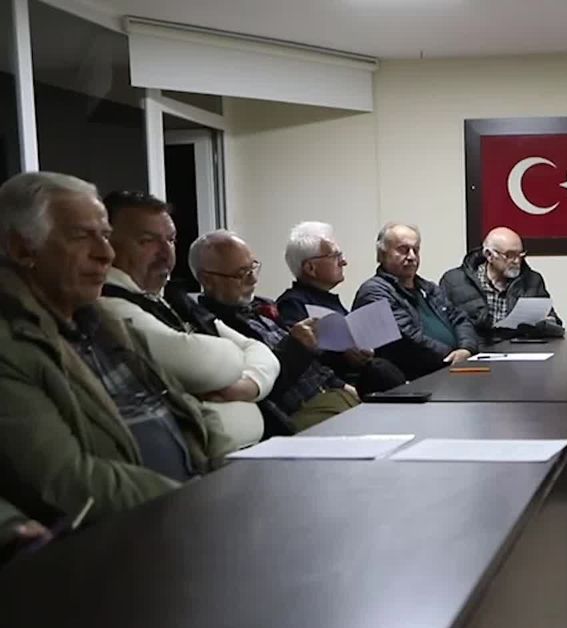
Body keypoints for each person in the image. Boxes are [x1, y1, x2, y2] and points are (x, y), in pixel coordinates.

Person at [0, 172, 224, 524]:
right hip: (126, 534)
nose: (105, 254)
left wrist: (228, 474)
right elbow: (66, 482)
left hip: (192, 508)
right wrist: (196, 503)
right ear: (21, 249)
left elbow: (185, 408)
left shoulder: (105, 322)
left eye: (104, 235)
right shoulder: (11, 344)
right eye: (80, 236)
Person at [98, 191, 280, 452]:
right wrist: (231, 357)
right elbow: (204, 364)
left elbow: (261, 351)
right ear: (107, 244)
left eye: (171, 240)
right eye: (147, 241)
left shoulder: (173, 299)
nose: (165, 253)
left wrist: (247, 385)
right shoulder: (108, 304)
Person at [189, 230, 359, 431]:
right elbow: (262, 386)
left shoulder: (263, 306)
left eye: (253, 267)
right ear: (208, 280)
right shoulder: (211, 327)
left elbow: (313, 366)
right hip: (300, 412)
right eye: (242, 273)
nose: (253, 279)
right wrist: (296, 346)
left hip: (332, 393)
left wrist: (341, 385)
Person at [276, 221, 405, 394]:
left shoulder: (327, 299)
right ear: (310, 268)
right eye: (335, 256)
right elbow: (304, 361)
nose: (343, 262)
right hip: (335, 390)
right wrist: (343, 355)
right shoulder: (292, 305)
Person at [354, 222, 479, 380]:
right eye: (403, 250)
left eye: (416, 250)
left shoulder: (428, 288)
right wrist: (452, 356)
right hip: (414, 378)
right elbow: (407, 339)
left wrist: (466, 349)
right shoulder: (374, 292)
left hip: (451, 370)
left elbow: (460, 319)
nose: (412, 256)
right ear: (382, 254)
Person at [438, 226, 564, 340]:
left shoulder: (532, 280)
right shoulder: (454, 281)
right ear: (489, 255)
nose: (517, 261)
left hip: (518, 351)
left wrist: (546, 324)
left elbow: (554, 324)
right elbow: (442, 327)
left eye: (520, 254)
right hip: (474, 350)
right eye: (509, 255)